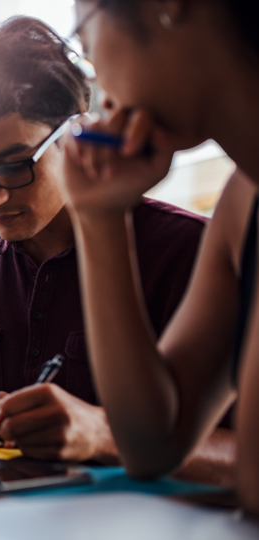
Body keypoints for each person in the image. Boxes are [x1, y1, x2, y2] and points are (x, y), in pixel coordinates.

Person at [0, 16, 234, 483]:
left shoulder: (192, 250)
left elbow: (241, 453)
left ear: (74, 134)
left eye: (13, 167)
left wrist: (103, 436)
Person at [60, 0, 259, 513]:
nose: (96, 75)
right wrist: (100, 218)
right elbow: (153, 444)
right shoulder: (241, 205)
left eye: (85, 39)